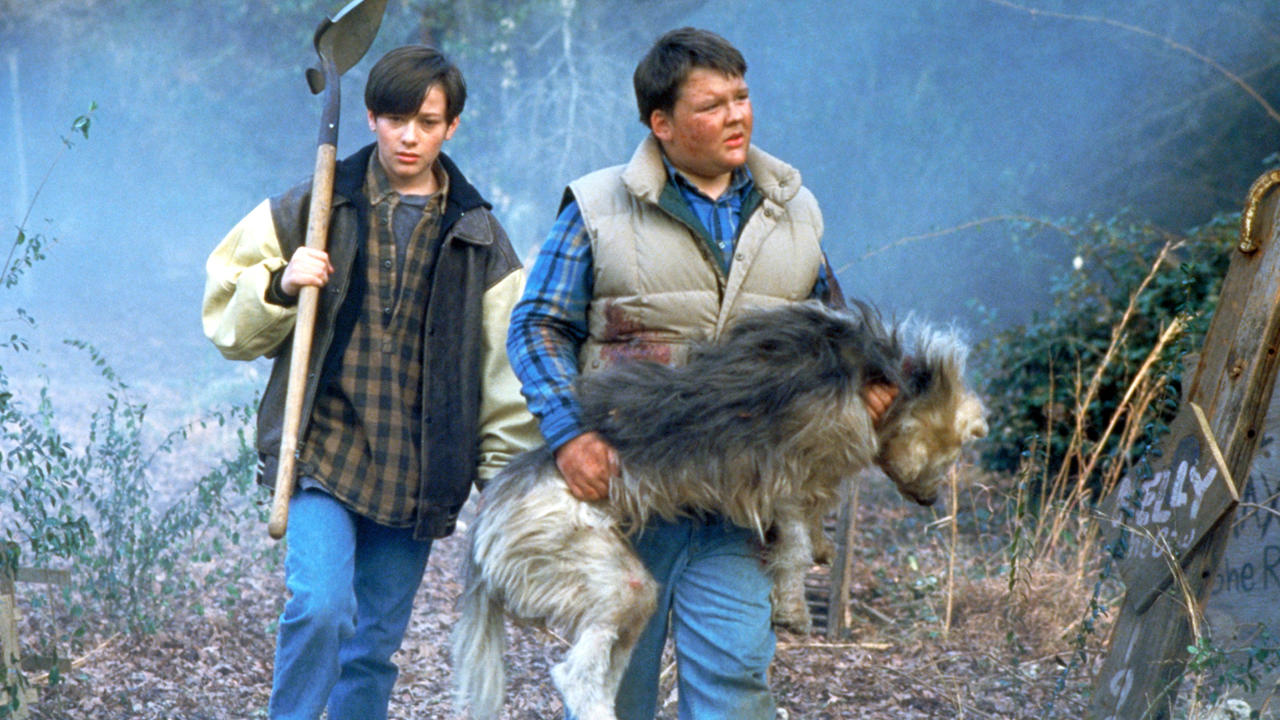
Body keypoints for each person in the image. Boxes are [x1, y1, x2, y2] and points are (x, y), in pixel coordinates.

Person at [507, 27, 896, 720]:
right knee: (615, 693)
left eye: (742, 97)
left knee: (738, 687)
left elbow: (833, 331)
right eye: (712, 105)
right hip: (628, 495)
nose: (737, 115)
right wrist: (569, 435)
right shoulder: (598, 209)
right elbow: (537, 326)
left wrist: (867, 384)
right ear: (662, 124)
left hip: (740, 503)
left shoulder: (793, 212)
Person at [201, 45, 537, 720]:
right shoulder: (317, 206)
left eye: (427, 121)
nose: (408, 135)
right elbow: (226, 324)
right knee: (320, 607)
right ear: (370, 117)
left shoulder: (479, 238)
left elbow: (505, 374)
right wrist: (281, 283)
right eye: (393, 117)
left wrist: (502, 484)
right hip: (321, 450)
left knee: (374, 647)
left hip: (417, 472)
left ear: (451, 128)